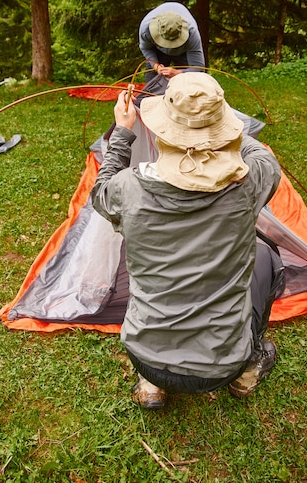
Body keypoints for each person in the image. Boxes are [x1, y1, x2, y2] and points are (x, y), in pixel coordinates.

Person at [91, 73, 284, 409]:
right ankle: (245, 372)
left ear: (159, 129)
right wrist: (216, 116)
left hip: (144, 357)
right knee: (265, 256)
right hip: (222, 366)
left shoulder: (129, 189)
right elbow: (263, 157)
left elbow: (101, 190)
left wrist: (123, 131)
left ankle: (152, 385)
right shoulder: (250, 182)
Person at [138, 2, 206, 82]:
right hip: (158, 52)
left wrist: (178, 72)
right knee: (152, 82)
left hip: (183, 52)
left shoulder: (191, 33)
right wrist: (156, 66)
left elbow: (198, 68)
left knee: (191, 82)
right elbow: (146, 48)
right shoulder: (146, 30)